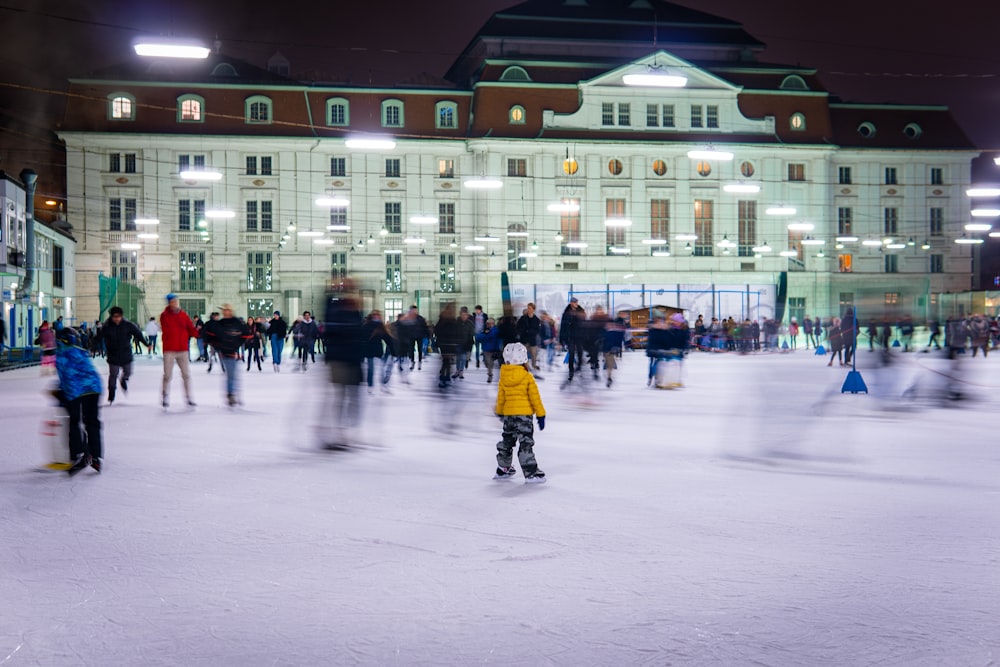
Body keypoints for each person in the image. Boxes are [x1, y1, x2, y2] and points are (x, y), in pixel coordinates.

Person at [493, 342, 546, 483]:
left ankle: (503, 468)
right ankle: (531, 472)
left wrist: (499, 411)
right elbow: (535, 398)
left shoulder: (503, 377)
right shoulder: (527, 377)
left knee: (507, 440)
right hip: (524, 416)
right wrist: (541, 415)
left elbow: (501, 397)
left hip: (509, 415)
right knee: (525, 443)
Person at [55, 327, 104, 475]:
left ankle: (79, 453)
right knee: (92, 421)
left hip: (76, 390)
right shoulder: (81, 351)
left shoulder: (61, 355)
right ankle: (95, 456)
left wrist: (63, 398)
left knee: (75, 421)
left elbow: (66, 379)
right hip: (94, 388)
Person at [322, 281, 364, 448]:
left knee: (352, 397)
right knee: (341, 396)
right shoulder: (336, 307)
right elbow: (332, 327)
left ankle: (346, 431)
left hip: (352, 359)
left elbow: (358, 334)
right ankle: (339, 432)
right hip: (339, 359)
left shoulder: (355, 311)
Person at [97, 306, 148, 405]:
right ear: (111, 317)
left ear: (121, 316)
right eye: (114, 317)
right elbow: (98, 338)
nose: (116, 319)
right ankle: (111, 394)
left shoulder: (128, 325)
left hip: (126, 354)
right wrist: (91, 346)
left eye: (118, 316)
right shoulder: (107, 326)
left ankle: (124, 380)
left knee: (128, 371)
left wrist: (146, 344)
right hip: (113, 355)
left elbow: (138, 334)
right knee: (113, 375)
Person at [204, 304, 251, 406]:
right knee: (231, 374)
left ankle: (232, 393)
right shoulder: (220, 324)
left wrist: (238, 343)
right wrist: (217, 345)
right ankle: (231, 394)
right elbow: (212, 335)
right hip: (225, 351)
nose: (226, 312)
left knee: (233, 374)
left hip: (233, 351)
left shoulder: (236, 323)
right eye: (225, 311)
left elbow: (245, 332)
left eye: (228, 310)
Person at [160, 293, 199, 409]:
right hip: (169, 349)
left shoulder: (183, 315)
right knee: (167, 375)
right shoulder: (165, 315)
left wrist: (198, 334)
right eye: (172, 302)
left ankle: (189, 397)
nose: (175, 303)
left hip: (182, 349)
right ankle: (165, 395)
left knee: (186, 375)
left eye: (176, 301)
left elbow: (190, 328)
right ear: (169, 303)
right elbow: (167, 329)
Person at [517, 302, 542, 371]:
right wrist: (522, 332)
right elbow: (518, 327)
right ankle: (526, 367)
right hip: (524, 339)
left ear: (533, 309)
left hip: (532, 340)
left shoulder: (536, 320)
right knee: (523, 355)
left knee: (534, 355)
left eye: (530, 308)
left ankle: (534, 366)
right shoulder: (523, 318)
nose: (528, 310)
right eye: (528, 308)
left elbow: (537, 330)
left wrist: (530, 332)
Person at [475, 317, 501, 383]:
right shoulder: (484, 331)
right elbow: (479, 338)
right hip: (486, 349)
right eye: (487, 323)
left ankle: (490, 375)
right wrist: (485, 335)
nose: (488, 325)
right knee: (487, 363)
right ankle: (490, 374)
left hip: (494, 349)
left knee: (490, 363)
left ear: (493, 324)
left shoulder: (496, 331)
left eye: (490, 323)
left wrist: (498, 348)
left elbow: (496, 338)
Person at [455, 306, 476, 379]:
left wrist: (470, 342)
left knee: (463, 358)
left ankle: (461, 371)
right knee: (458, 358)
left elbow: (472, 333)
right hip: (457, 343)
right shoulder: (457, 322)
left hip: (466, 343)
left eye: (465, 315)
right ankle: (457, 370)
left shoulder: (470, 323)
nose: (464, 316)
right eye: (463, 315)